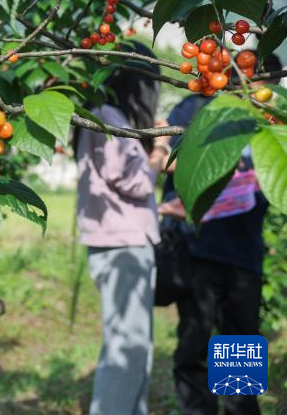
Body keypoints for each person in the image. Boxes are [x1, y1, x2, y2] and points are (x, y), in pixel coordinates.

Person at [160, 53, 281, 415]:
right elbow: (167, 156)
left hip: (244, 251)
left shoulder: (270, 122)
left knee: (240, 348)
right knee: (194, 346)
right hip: (198, 249)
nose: (257, 90)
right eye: (251, 79)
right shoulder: (196, 108)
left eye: (266, 85)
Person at [74, 40, 173, 415]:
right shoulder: (109, 118)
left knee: (135, 348)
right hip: (123, 249)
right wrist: (161, 149)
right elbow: (136, 182)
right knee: (127, 350)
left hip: (122, 244)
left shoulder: (104, 117)